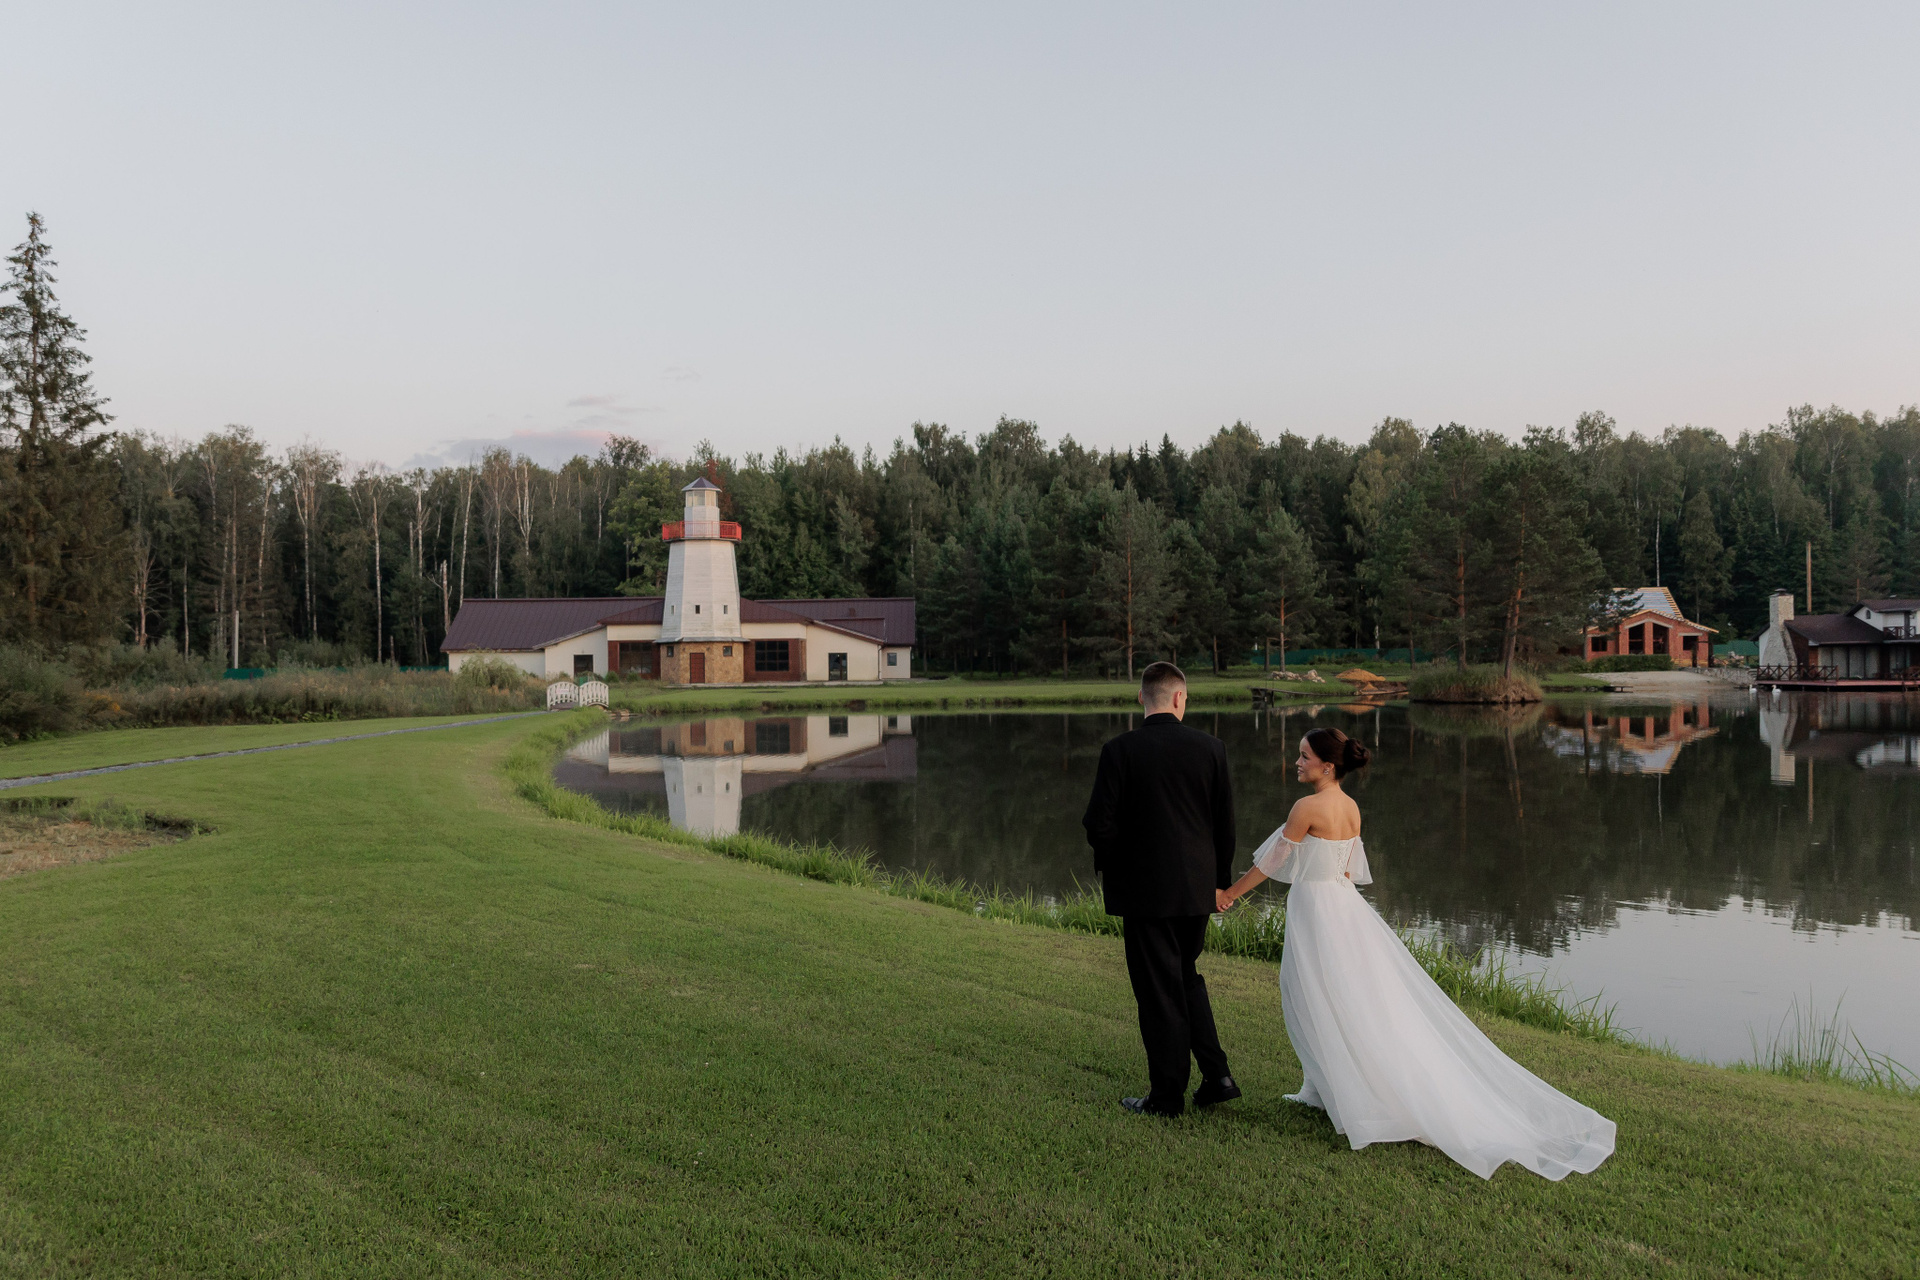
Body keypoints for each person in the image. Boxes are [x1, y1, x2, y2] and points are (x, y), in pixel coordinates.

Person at [1219, 725, 1616, 1180]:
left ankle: (1353, 1095)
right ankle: (1320, 1087)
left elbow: (1273, 861)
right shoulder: (1350, 807)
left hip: (1319, 909)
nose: (1297, 761)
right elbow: (1346, 871)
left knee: (1317, 996)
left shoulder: (1306, 807)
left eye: (1305, 756)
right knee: (1335, 996)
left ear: (1327, 766)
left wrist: (1229, 894)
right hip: (1342, 906)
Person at [1081, 661, 1240, 1117]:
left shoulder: (1119, 750)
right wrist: (1219, 883)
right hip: (1196, 891)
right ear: (1178, 697)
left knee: (1158, 992)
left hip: (1145, 895)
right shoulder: (1212, 748)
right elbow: (1224, 825)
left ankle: (1167, 1098)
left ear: (1142, 698)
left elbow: (1098, 824)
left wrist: (1122, 867)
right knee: (1184, 976)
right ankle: (1218, 1076)